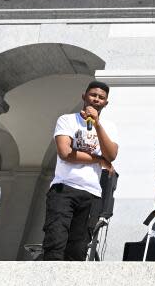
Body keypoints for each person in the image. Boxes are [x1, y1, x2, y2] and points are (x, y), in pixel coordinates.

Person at [42, 81, 119, 261]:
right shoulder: (67, 120)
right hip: (64, 189)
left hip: (91, 194)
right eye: (93, 95)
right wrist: (99, 159)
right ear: (84, 96)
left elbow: (112, 155)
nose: (96, 99)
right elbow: (65, 153)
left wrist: (98, 125)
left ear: (105, 103)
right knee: (55, 242)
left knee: (78, 248)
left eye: (101, 98)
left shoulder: (109, 127)